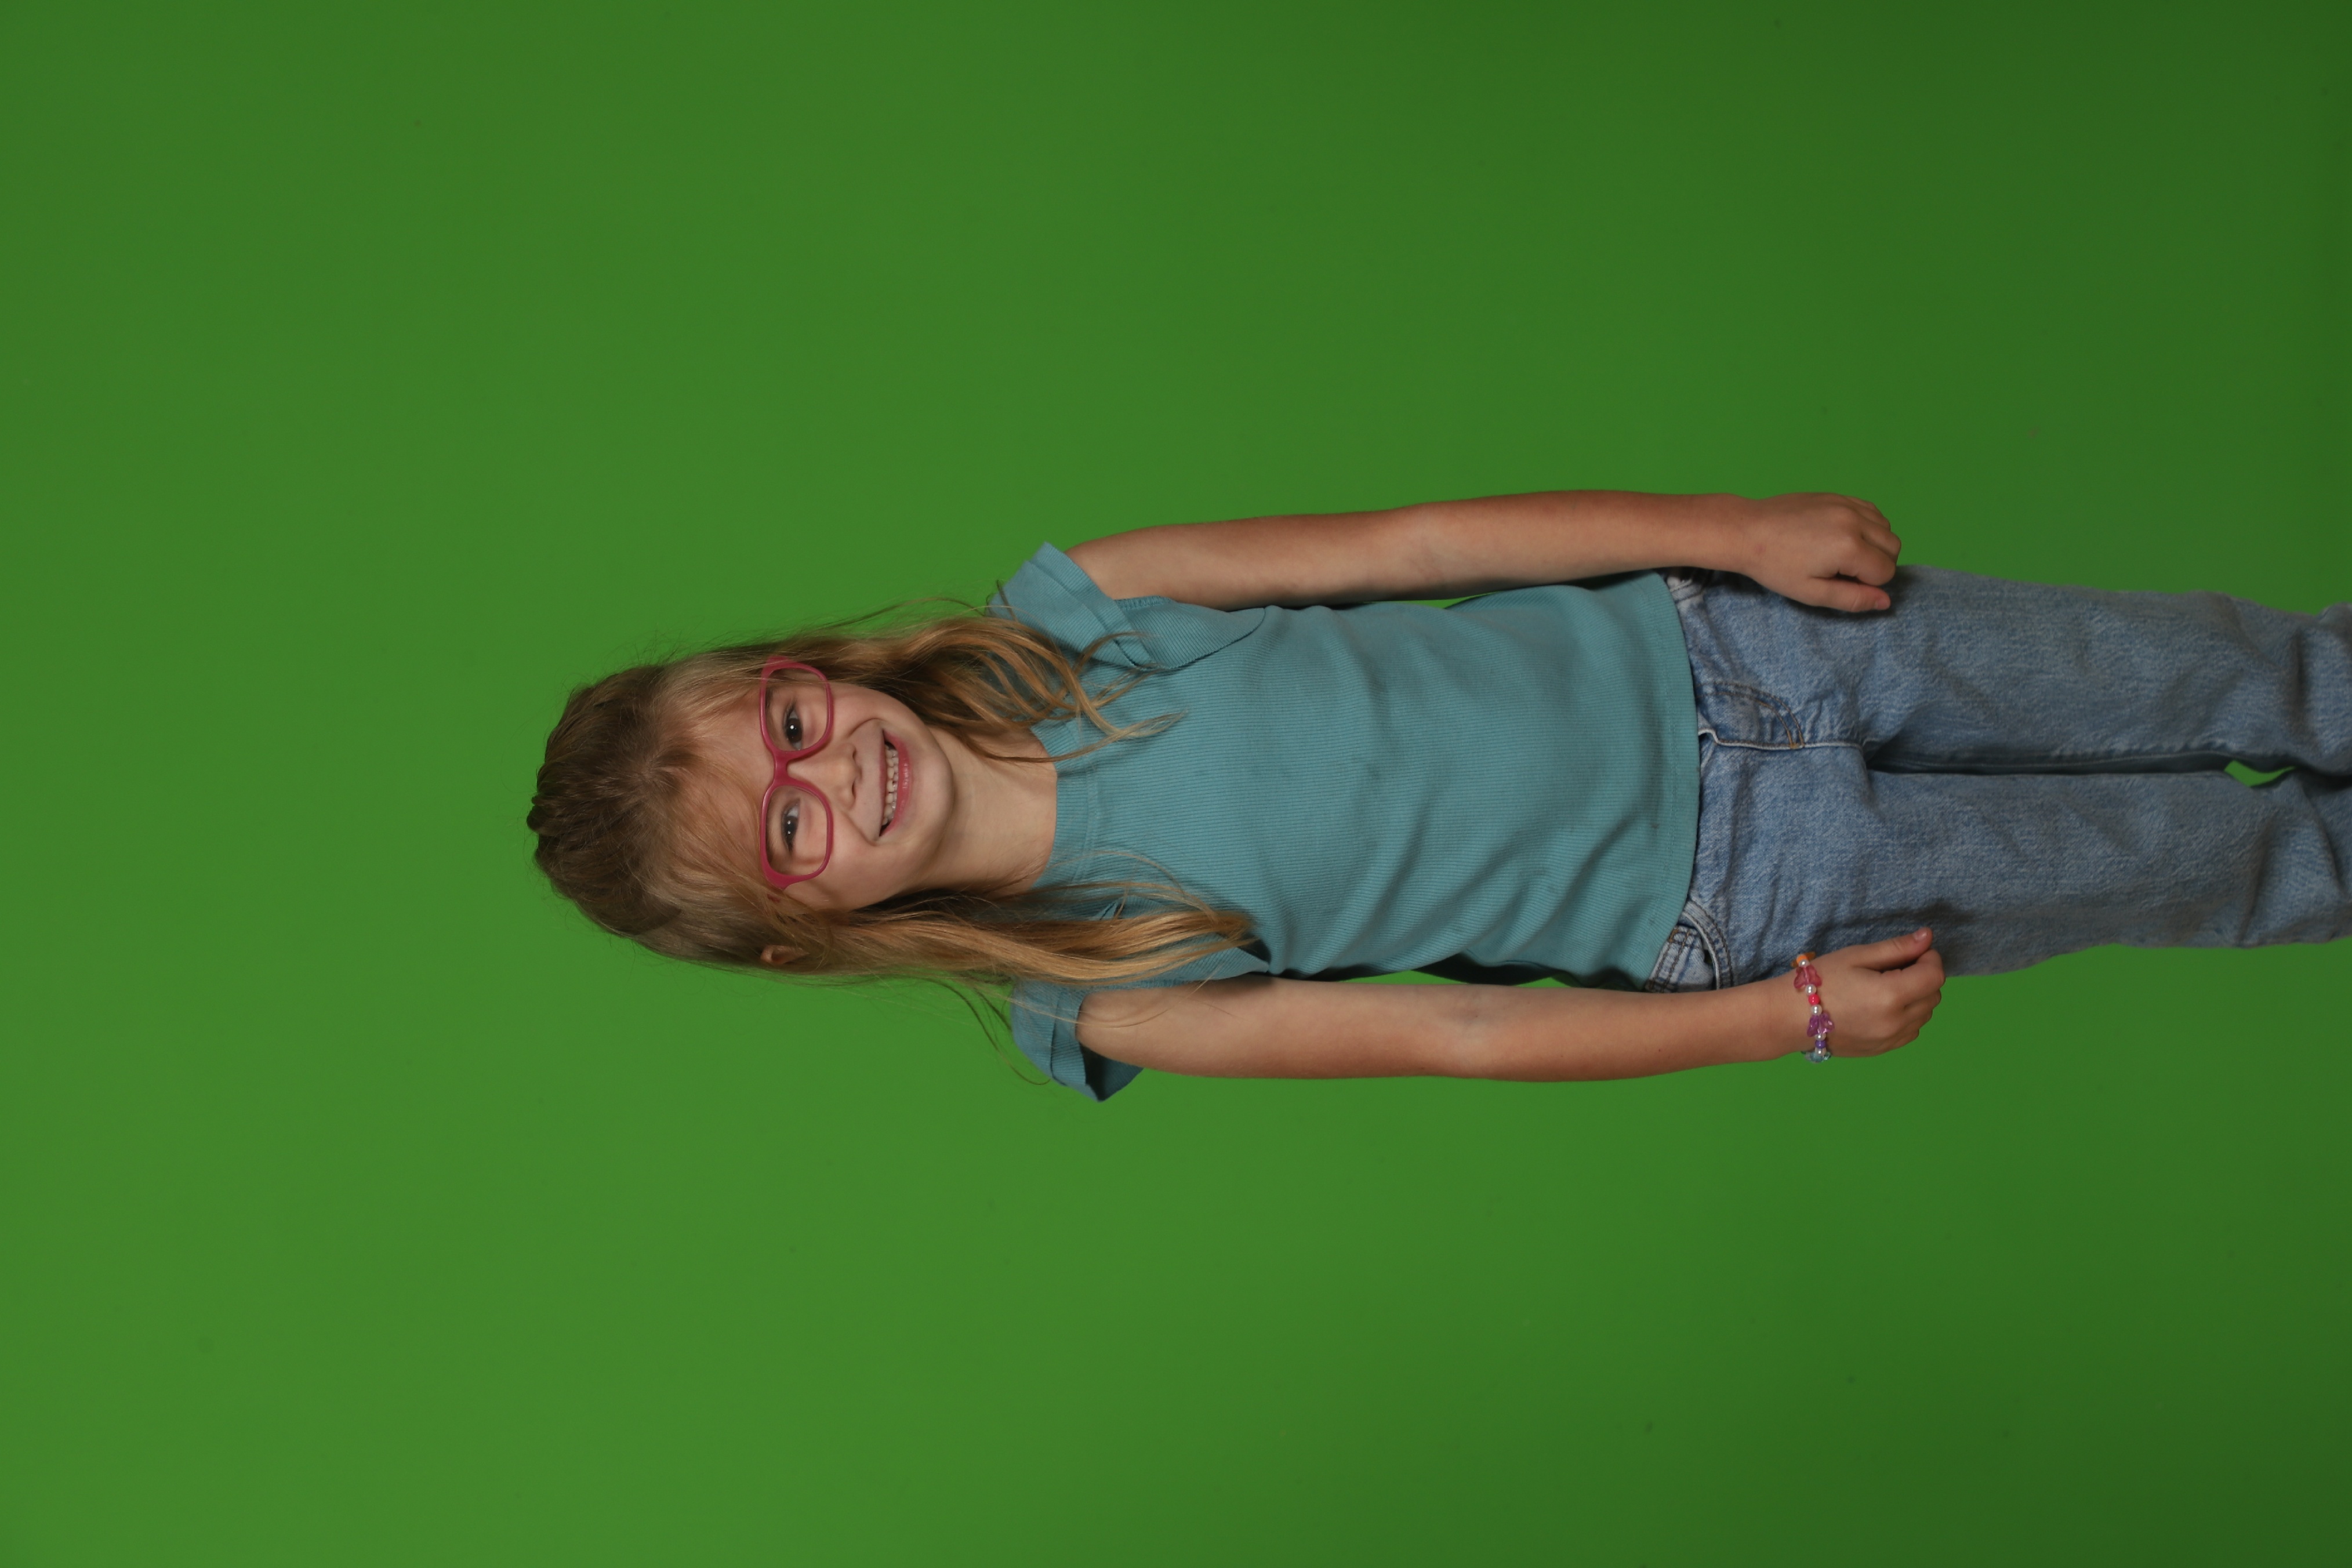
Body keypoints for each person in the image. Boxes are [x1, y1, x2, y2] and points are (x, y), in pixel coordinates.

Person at [527, 492, 2352, 1100]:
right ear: (803, 928)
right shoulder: (1107, 984)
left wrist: (1730, 535)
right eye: (787, 828)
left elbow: (1419, 544)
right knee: (2186, 858)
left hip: (1741, 649)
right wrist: (1779, 1014)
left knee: (2196, 662)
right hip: (1747, 888)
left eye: (788, 720)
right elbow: (1458, 1034)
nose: (831, 771)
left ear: (804, 668)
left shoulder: (1076, 612)